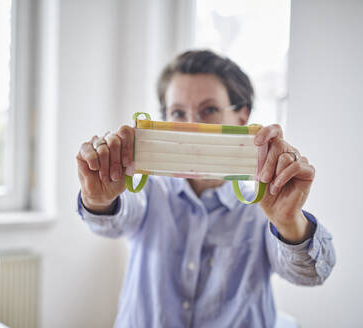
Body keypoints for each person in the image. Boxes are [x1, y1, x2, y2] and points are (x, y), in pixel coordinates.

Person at [76, 50, 335, 327]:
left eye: (209, 110)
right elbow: (111, 223)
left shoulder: (265, 204)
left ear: (242, 116)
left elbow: (311, 274)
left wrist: (290, 222)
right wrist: (97, 199)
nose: (192, 126)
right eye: (177, 112)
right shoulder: (146, 190)